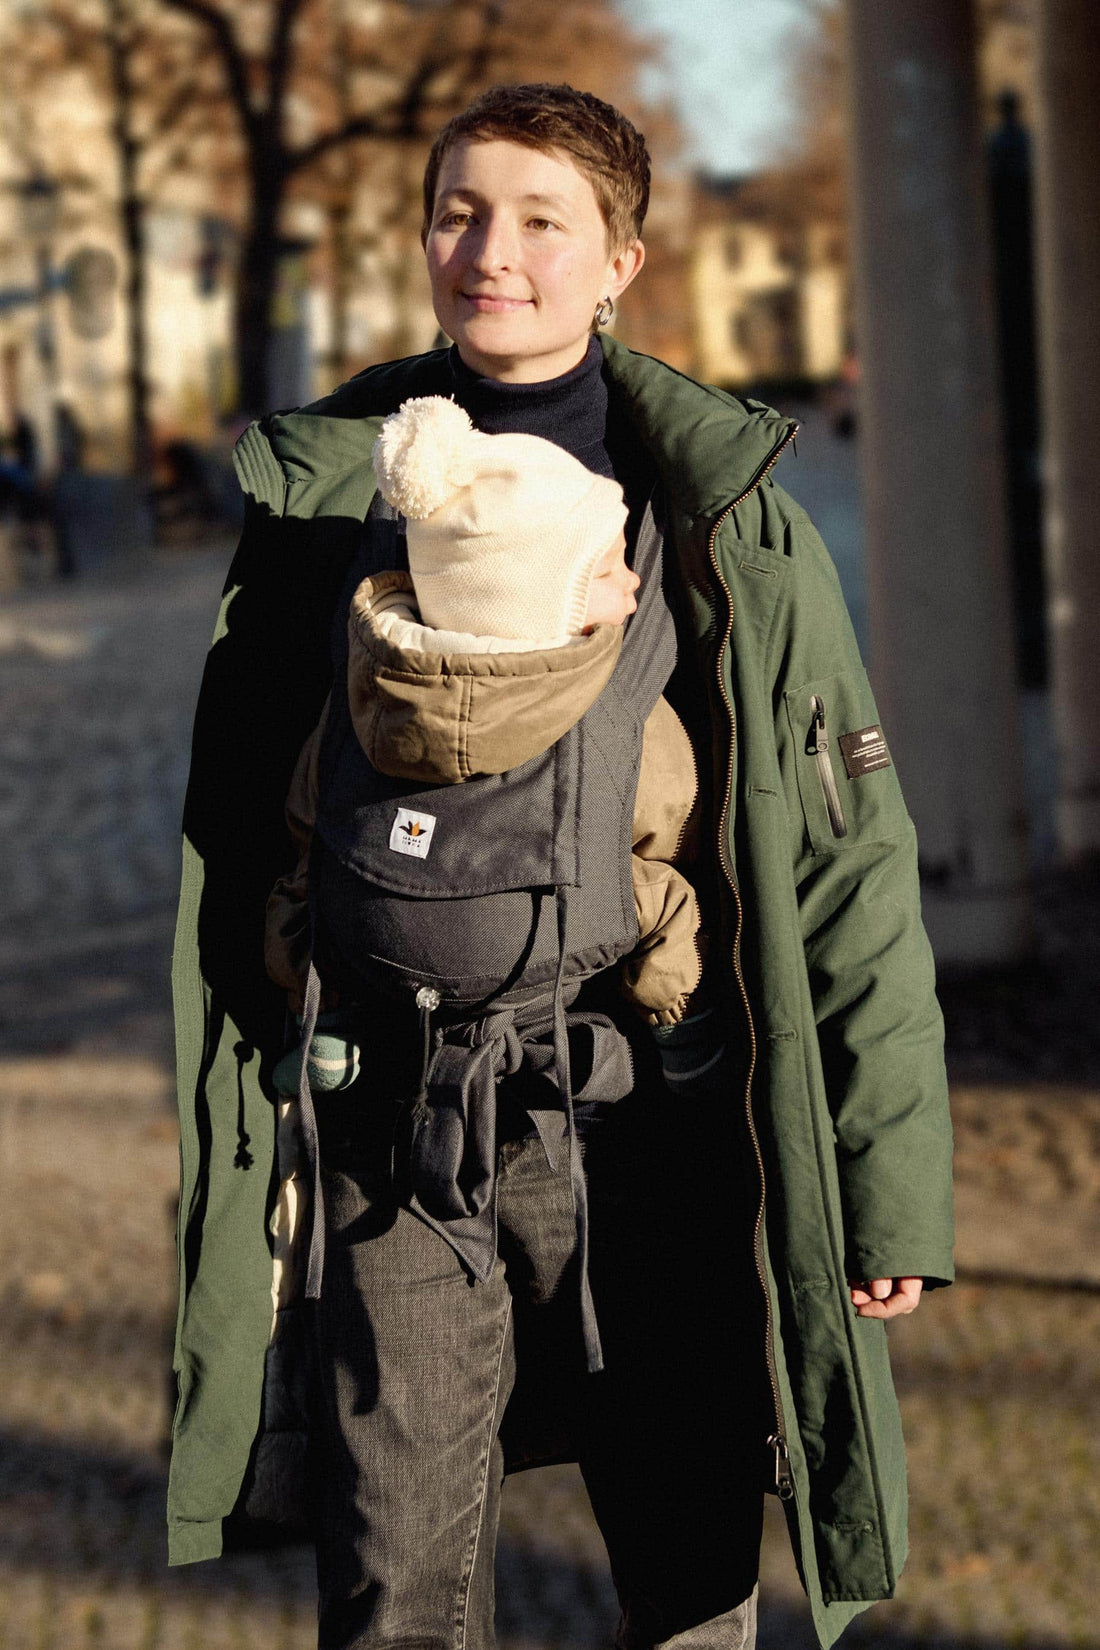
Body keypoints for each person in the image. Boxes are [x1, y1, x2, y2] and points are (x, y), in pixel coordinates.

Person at [168, 82, 954, 1650]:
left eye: (542, 220)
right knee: (392, 1595)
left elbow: (847, 867)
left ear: (622, 262)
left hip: (652, 1127)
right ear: (422, 238)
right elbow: (242, 830)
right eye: (460, 212)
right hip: (397, 1131)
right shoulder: (325, 506)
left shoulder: (724, 520)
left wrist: (891, 1190)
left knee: (690, 1590)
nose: (492, 252)